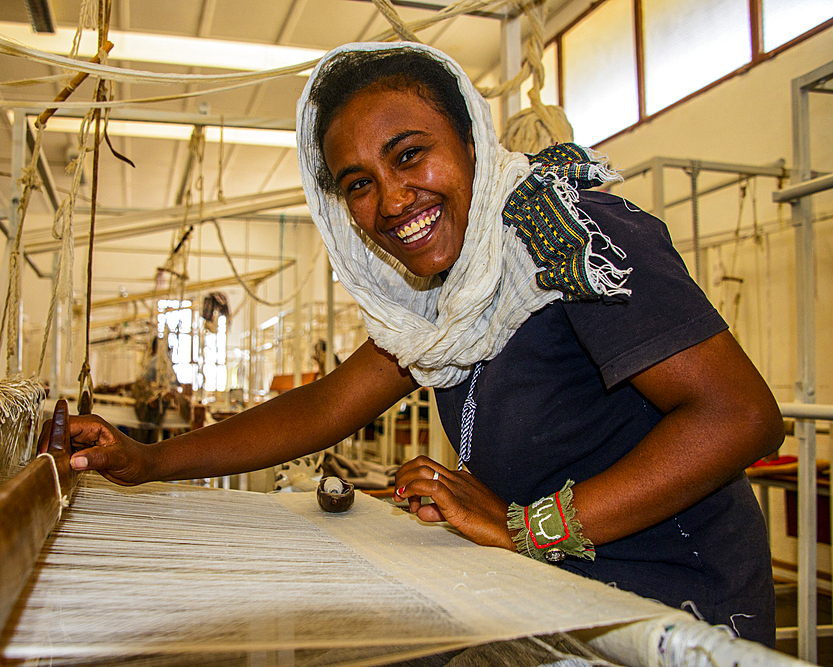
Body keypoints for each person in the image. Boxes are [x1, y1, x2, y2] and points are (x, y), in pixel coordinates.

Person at [43, 43, 783, 645]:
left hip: (673, 607)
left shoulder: (572, 237)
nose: (392, 202)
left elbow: (739, 415)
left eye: (409, 155)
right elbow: (326, 405)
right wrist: (149, 460)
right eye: (358, 183)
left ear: (469, 141)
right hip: (552, 589)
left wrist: (527, 526)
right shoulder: (440, 300)